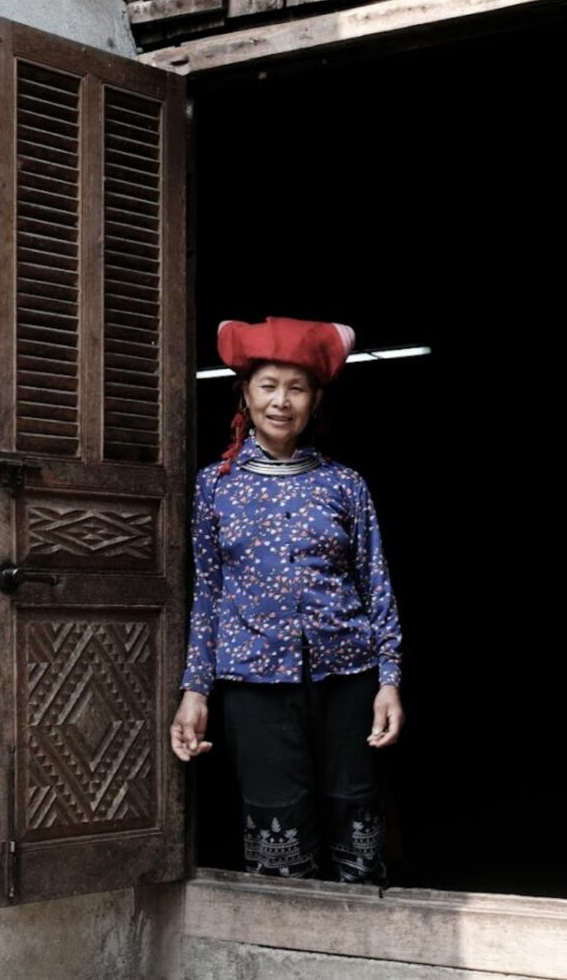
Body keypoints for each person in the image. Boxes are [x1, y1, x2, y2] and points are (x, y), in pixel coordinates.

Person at [170, 316, 403, 883]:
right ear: (245, 395)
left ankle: (361, 927)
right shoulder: (215, 486)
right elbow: (208, 592)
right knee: (276, 818)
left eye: (296, 388)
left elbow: (375, 582)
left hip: (348, 675)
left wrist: (389, 679)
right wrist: (195, 690)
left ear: (315, 400)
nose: (281, 401)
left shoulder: (345, 485)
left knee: (355, 807)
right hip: (253, 680)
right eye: (268, 386)